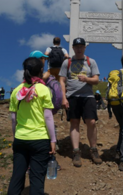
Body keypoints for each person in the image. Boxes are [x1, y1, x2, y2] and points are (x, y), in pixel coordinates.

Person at [7, 57, 56, 195]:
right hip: (40, 139)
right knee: (36, 179)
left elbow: (13, 118)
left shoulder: (16, 90)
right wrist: (53, 140)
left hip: (20, 138)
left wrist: (15, 136)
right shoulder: (44, 89)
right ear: (41, 71)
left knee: (17, 177)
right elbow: (48, 117)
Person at [58, 37, 102, 167]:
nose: (79, 49)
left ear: (84, 48)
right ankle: (76, 151)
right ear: (73, 48)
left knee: (92, 122)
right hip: (72, 96)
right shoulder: (67, 62)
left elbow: (96, 80)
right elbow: (61, 80)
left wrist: (87, 79)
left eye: (81, 46)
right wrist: (63, 97)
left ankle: (93, 149)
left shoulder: (91, 61)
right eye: (76, 46)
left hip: (88, 96)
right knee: (74, 122)